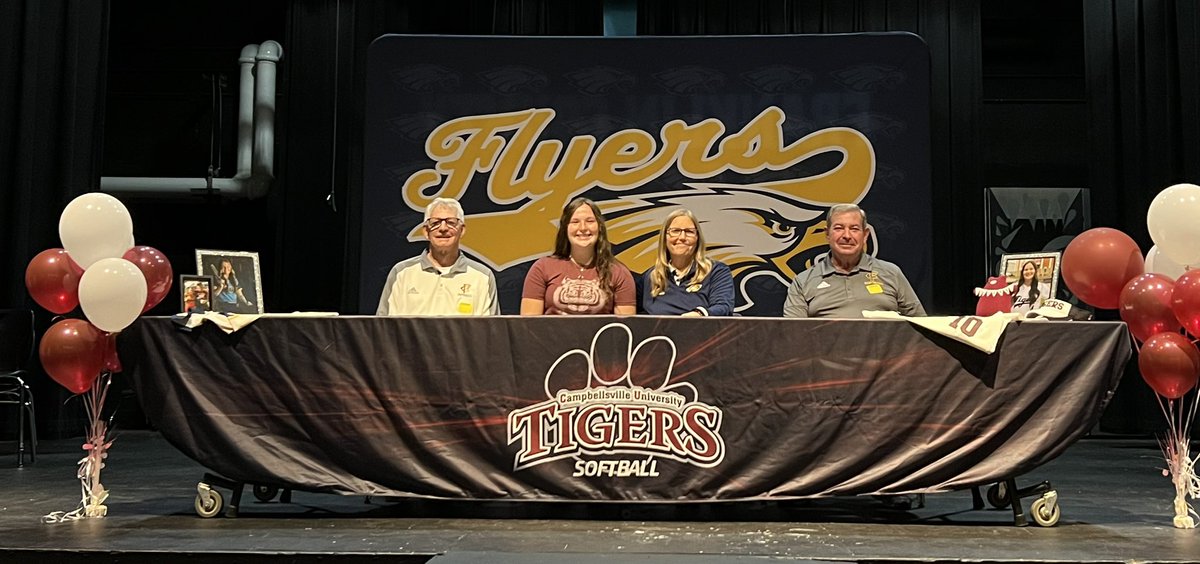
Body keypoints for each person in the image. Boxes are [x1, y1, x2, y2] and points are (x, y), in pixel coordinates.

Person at [783, 203, 925, 318]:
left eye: (854, 229)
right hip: (825, 353)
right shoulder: (803, 282)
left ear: (865, 235)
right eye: (839, 228)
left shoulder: (891, 273)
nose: (847, 235)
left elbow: (921, 324)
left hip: (884, 353)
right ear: (827, 234)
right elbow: (792, 334)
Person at [376, 197, 499, 316]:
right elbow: (382, 329)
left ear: (462, 230)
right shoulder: (401, 273)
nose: (443, 228)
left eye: (451, 222)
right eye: (435, 223)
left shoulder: (483, 277)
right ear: (425, 231)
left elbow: (492, 332)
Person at [521, 198, 636, 315]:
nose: (583, 228)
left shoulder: (619, 273)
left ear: (600, 227)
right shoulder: (542, 268)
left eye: (590, 221)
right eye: (575, 222)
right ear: (565, 228)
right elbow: (527, 325)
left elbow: (624, 328)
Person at [640, 208, 735, 316]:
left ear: (697, 238)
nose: (682, 237)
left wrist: (699, 314)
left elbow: (723, 307)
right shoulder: (650, 277)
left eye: (689, 232)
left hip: (702, 331)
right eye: (675, 231)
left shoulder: (716, 272)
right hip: (659, 332)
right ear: (664, 238)